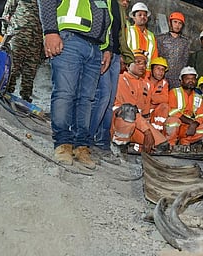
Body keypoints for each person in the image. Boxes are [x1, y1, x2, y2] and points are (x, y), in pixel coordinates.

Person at [39, 0, 113, 169]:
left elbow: (108, 19)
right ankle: (63, 144)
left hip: (95, 48)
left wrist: (108, 47)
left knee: (86, 100)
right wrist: (50, 31)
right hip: (71, 39)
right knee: (65, 93)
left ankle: (81, 146)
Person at [90, 0, 134, 154]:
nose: (126, 2)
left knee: (109, 101)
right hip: (102, 51)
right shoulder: (104, 2)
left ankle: (102, 140)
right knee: (102, 96)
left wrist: (126, 56)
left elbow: (120, 33)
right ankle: (87, 138)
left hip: (115, 55)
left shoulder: (120, 9)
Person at [111, 49, 169, 153]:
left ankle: (135, 144)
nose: (142, 66)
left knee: (162, 145)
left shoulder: (145, 85)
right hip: (119, 124)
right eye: (138, 62)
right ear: (128, 64)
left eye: (144, 63)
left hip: (137, 125)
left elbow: (145, 114)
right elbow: (130, 109)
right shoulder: (121, 79)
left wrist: (149, 131)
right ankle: (117, 146)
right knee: (128, 111)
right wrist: (147, 132)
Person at [2, 0, 42, 102]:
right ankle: (5, 90)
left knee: (31, 67)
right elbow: (9, 7)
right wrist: (4, 30)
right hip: (18, 31)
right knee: (13, 64)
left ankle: (26, 96)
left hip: (36, 36)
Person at [165, 66, 203, 147]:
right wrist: (191, 122)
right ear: (181, 81)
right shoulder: (174, 92)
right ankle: (170, 145)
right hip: (177, 125)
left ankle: (184, 142)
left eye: (193, 78)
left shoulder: (198, 97)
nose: (191, 81)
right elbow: (172, 111)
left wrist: (194, 124)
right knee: (173, 121)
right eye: (187, 78)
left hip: (188, 129)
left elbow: (200, 116)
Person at [157, 11, 190, 89]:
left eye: (180, 23)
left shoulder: (185, 42)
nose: (177, 25)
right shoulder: (160, 39)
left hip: (178, 79)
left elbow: (185, 60)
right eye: (175, 22)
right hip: (163, 76)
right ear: (170, 23)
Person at [126, 2, 158, 76]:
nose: (143, 17)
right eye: (139, 15)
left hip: (146, 73)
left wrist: (151, 73)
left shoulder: (151, 35)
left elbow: (154, 55)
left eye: (145, 15)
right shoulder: (128, 30)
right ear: (134, 17)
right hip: (130, 71)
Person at [148, 57, 170, 133]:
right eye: (158, 69)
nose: (160, 72)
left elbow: (165, 98)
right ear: (151, 69)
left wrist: (151, 98)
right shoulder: (143, 80)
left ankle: (157, 133)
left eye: (163, 70)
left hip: (155, 113)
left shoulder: (164, 83)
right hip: (143, 112)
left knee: (165, 107)